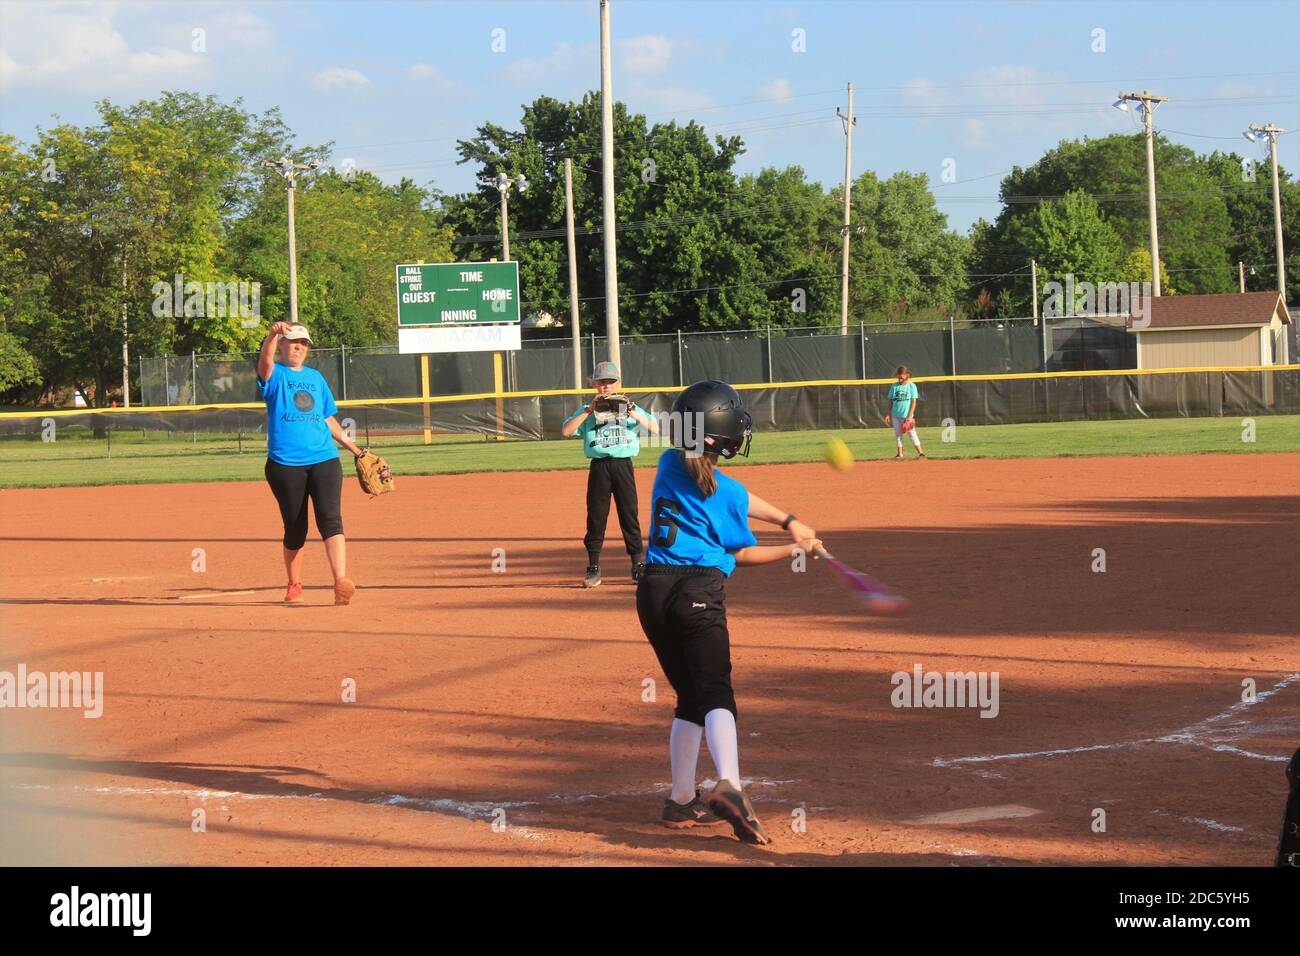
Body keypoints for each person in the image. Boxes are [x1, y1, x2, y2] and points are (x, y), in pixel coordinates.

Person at [637, 380, 821, 845]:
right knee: (717, 694)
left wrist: (787, 519)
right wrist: (795, 546)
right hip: (698, 594)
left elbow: (734, 493)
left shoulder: (667, 462)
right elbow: (741, 555)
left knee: (689, 698)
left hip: (653, 595)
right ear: (722, 436)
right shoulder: (727, 493)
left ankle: (681, 801)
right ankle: (732, 787)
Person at [257, 321, 364, 605]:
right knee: (296, 528)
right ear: (281, 345)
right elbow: (265, 363)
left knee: (331, 520)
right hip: (284, 464)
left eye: (303, 343)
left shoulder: (316, 378)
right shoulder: (275, 375)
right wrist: (271, 335)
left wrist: (356, 450)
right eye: (293, 342)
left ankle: (341, 582)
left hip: (324, 460)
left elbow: (327, 419)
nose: (299, 347)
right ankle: (294, 584)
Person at [560, 360, 660, 588]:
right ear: (595, 384)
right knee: (596, 518)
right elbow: (566, 431)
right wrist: (589, 409)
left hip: (623, 465)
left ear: (619, 383)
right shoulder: (588, 409)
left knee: (629, 516)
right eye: (602, 382)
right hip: (599, 467)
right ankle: (593, 568)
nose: (606, 386)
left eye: (610, 382)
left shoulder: (630, 408)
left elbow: (655, 428)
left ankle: (637, 565)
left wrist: (631, 409)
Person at [885, 365, 925, 460]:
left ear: (907, 375)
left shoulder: (911, 386)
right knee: (898, 434)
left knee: (912, 433)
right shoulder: (894, 386)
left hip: (907, 415)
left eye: (901, 378)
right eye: (898, 378)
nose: (900, 380)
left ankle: (921, 453)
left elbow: (914, 402)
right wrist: (888, 414)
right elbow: (890, 400)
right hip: (895, 415)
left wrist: (910, 416)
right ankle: (900, 454)